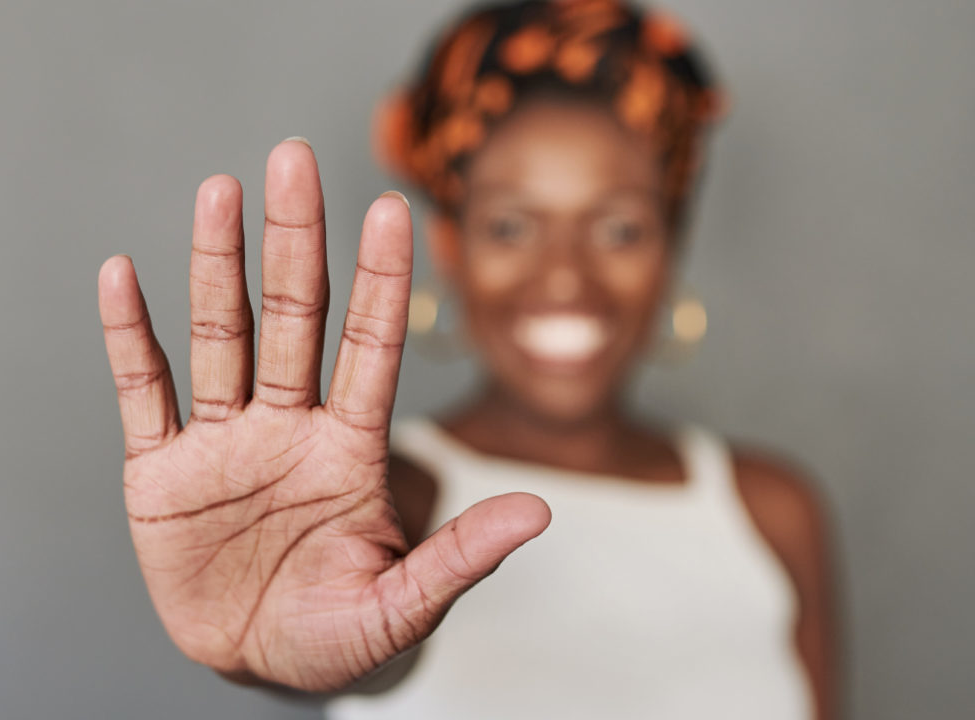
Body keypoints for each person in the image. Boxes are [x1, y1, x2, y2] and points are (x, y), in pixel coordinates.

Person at [96, 0, 837, 717]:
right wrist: (274, 653)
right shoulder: (381, 496)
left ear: (671, 244)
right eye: (511, 226)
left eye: (618, 229)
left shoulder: (773, 511)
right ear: (452, 247)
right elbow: (366, 637)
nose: (566, 277)